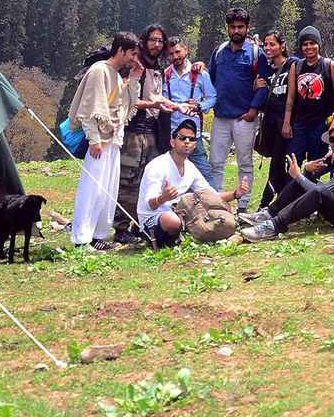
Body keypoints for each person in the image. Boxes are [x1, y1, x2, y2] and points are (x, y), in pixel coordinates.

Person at [237, 117, 334, 241]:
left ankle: (273, 226)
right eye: (333, 139)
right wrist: (307, 169)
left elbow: (321, 193)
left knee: (314, 188)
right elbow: (314, 177)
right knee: (304, 179)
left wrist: (298, 176)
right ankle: (268, 214)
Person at [68, 32, 143, 251]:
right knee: (92, 189)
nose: (133, 59)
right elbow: (91, 108)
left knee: (107, 190)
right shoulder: (99, 70)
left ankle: (98, 235)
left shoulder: (118, 75)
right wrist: (94, 139)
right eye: (132, 54)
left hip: (113, 139)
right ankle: (82, 238)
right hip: (100, 139)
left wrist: (136, 78)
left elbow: (128, 105)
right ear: (120, 50)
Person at [137, 119, 249, 248]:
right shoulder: (157, 165)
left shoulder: (190, 167)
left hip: (180, 214)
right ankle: (149, 234)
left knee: (222, 212)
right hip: (154, 217)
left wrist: (236, 194)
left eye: (191, 139)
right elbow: (149, 205)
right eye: (182, 138)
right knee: (172, 221)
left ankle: (183, 234)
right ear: (172, 142)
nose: (187, 142)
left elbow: (211, 197)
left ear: (195, 145)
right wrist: (163, 198)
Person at [114, 24, 175, 245]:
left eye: (160, 41)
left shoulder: (158, 68)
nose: (157, 44)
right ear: (144, 41)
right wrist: (155, 105)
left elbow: (157, 98)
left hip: (153, 132)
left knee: (149, 181)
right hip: (133, 130)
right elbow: (128, 100)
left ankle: (140, 225)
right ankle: (120, 227)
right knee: (128, 180)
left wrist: (175, 107)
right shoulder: (134, 66)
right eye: (153, 40)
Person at [208, 8, 267, 210]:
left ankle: (242, 205)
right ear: (227, 28)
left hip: (244, 118)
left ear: (247, 28)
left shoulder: (255, 52)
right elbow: (211, 80)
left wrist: (253, 110)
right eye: (232, 26)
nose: (236, 30)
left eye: (240, 26)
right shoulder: (219, 52)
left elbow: (263, 85)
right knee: (215, 162)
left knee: (244, 163)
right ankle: (216, 202)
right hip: (221, 116)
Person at [281, 25, 334, 167]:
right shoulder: (297, 66)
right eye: (305, 44)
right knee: (292, 160)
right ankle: (293, 188)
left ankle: (312, 189)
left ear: (318, 44)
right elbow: (291, 97)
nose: (309, 47)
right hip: (299, 122)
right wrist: (287, 122)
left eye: (312, 43)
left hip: (321, 123)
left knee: (317, 163)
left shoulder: (329, 65)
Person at [163, 36, 216, 180]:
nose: (175, 56)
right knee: (173, 174)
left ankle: (214, 201)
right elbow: (162, 101)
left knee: (204, 173)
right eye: (171, 54)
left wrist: (200, 106)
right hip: (173, 134)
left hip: (194, 134)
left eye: (178, 52)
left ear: (186, 50)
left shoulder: (200, 74)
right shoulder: (166, 75)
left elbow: (213, 97)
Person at [256, 30, 295, 209]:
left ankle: (265, 205)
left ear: (282, 45)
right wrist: (254, 85)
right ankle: (283, 203)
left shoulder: (292, 64)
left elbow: (291, 97)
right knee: (279, 165)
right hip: (269, 124)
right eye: (266, 44)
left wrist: (287, 121)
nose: (268, 48)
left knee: (278, 163)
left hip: (285, 123)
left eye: (272, 44)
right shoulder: (265, 69)